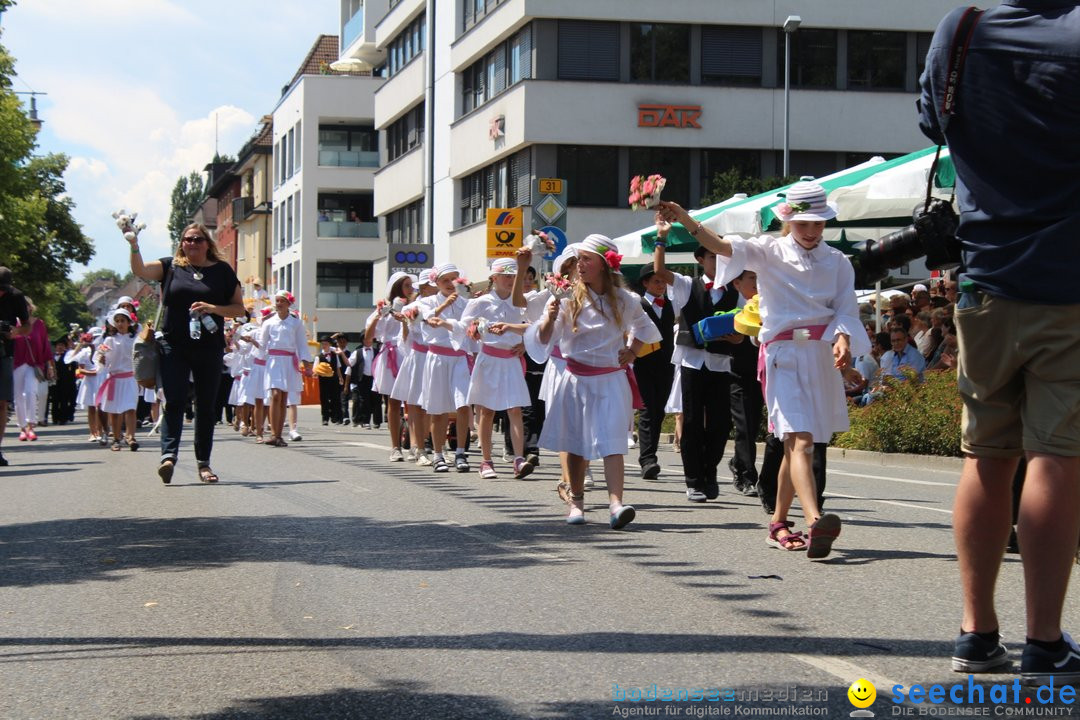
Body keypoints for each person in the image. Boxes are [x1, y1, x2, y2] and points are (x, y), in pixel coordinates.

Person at [920, 1, 1080, 683]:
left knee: (985, 455)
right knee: (1056, 457)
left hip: (984, 278)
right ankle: (1044, 639)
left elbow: (934, 123)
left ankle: (974, 631)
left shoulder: (963, 28)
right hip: (1070, 282)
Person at [660, 182, 869, 558]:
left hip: (820, 355)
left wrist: (843, 341)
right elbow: (722, 245)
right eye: (804, 223)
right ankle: (815, 519)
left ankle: (777, 523)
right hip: (782, 354)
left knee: (796, 446)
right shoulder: (769, 250)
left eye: (818, 224)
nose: (811, 231)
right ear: (788, 220)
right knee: (800, 439)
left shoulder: (837, 261)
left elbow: (846, 310)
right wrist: (684, 218)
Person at [526, 235, 661, 529]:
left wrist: (633, 351)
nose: (580, 264)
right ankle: (576, 501)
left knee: (614, 443)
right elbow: (546, 339)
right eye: (578, 259)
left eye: (586, 259)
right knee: (576, 445)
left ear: (604, 264)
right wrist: (548, 319)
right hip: (574, 379)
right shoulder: (566, 297)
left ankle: (616, 504)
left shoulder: (625, 299)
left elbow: (645, 327)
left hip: (611, 379)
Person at [127, 223, 245, 484]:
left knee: (205, 406)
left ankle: (204, 464)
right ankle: (168, 457)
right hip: (174, 346)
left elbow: (239, 309)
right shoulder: (170, 266)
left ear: (207, 243)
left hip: (209, 347)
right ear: (182, 243)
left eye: (198, 239)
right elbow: (140, 269)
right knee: (175, 400)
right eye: (188, 239)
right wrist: (134, 245)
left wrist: (213, 307)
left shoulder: (222, 271)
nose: (192, 243)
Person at [652, 221, 741, 503]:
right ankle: (693, 481)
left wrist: (737, 338)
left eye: (723, 256)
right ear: (701, 259)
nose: (719, 261)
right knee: (690, 422)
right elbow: (659, 272)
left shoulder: (736, 290)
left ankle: (710, 470)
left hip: (720, 361)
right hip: (691, 360)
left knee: (719, 423)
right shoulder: (688, 285)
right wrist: (661, 239)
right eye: (713, 256)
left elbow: (743, 330)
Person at [458, 257, 533, 480]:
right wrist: (473, 331)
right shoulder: (480, 302)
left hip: (511, 359)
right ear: (494, 278)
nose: (510, 280)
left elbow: (533, 326)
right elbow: (465, 327)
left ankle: (519, 459)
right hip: (489, 358)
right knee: (487, 411)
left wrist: (525, 344)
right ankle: (486, 461)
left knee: (515, 409)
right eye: (506, 276)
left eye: (513, 276)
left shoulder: (520, 301)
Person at [418, 264, 474, 473]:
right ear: (436, 283)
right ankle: (438, 454)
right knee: (438, 407)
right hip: (437, 357)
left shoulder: (467, 303)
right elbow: (424, 320)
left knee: (463, 405)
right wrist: (444, 305)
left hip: (460, 358)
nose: (451, 285)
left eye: (454, 279)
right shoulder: (428, 302)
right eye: (445, 281)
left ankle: (460, 451)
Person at [631, 263, 675, 481]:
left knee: (659, 412)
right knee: (648, 410)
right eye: (656, 281)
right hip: (643, 364)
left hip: (667, 365)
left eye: (663, 281)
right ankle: (647, 460)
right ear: (645, 283)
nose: (661, 285)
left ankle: (651, 456)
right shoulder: (637, 305)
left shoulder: (671, 304)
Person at [366, 272, 411, 460]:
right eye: (407, 285)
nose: (411, 290)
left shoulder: (415, 306)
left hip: (409, 353)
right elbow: (368, 339)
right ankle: (395, 447)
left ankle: (417, 445)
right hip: (391, 354)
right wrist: (379, 315)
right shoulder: (384, 310)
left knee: (414, 402)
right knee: (392, 402)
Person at [258, 290, 311, 447]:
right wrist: (253, 346)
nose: (278, 304)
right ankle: (274, 433)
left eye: (282, 301)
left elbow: (302, 344)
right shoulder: (268, 323)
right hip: (274, 361)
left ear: (289, 304)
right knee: (275, 394)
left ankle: (279, 435)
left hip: (289, 361)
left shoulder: (296, 323)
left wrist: (307, 364)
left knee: (283, 398)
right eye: (277, 301)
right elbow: (262, 344)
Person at [96, 308, 140, 451]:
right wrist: (101, 359)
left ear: (129, 323)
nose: (120, 324)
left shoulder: (135, 339)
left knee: (130, 408)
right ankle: (116, 438)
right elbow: (104, 361)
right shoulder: (109, 340)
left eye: (123, 321)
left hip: (129, 378)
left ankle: (130, 436)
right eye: (117, 321)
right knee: (114, 411)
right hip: (115, 379)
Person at [12, 298, 52, 442]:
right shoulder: (13, 324)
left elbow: (45, 345)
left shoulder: (39, 324)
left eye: (26, 305)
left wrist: (50, 365)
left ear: (30, 307)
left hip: (34, 364)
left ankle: (31, 426)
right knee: (18, 396)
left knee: (30, 392)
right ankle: (22, 428)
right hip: (16, 364)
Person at [316, 336, 343, 425]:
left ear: (330, 345)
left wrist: (340, 377)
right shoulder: (318, 357)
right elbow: (315, 369)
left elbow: (338, 367)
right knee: (324, 399)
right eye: (323, 344)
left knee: (335, 398)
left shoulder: (335, 355)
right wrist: (317, 373)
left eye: (326, 344)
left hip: (334, 379)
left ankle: (334, 416)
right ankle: (325, 418)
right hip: (323, 380)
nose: (324, 346)